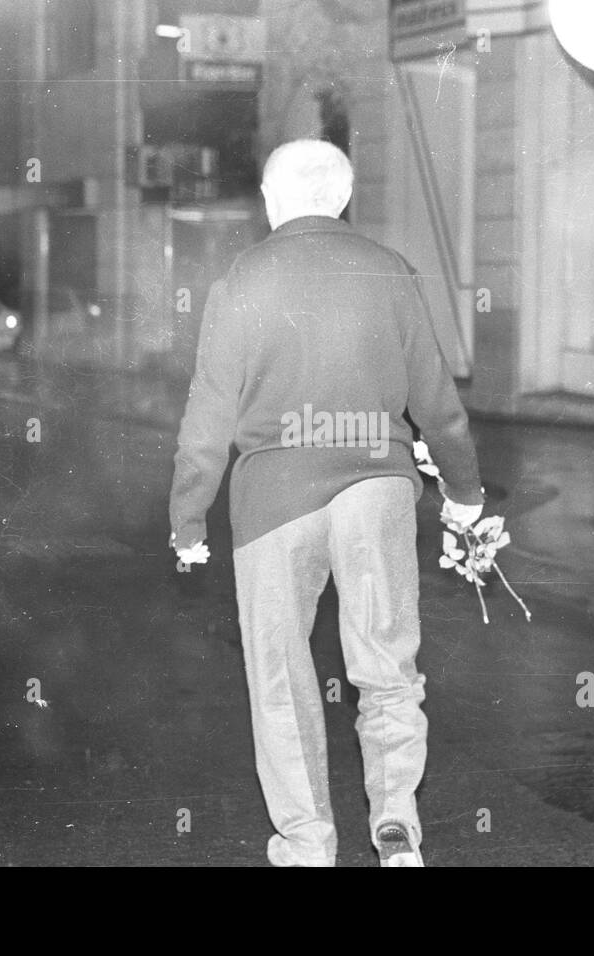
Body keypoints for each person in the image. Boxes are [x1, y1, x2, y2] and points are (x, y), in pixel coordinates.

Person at [168, 138, 484, 867]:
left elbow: (206, 420)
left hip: (274, 501)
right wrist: (464, 494)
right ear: (343, 199)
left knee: (280, 674)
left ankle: (308, 841)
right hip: (377, 488)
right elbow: (440, 404)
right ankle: (397, 822)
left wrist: (188, 519)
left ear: (272, 201)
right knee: (387, 663)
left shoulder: (241, 279)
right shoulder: (390, 270)